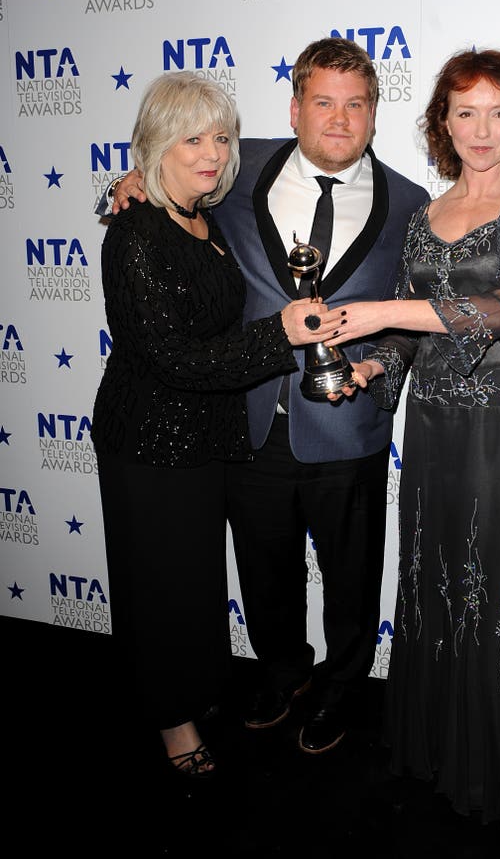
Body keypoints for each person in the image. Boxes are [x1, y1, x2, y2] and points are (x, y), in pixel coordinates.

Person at [107, 38, 427, 754]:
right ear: (295, 107)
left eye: (356, 105)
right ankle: (283, 673)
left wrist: (377, 368)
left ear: (374, 113)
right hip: (246, 419)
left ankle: (343, 686)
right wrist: (131, 181)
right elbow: (170, 169)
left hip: (347, 424)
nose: (339, 120)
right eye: (323, 102)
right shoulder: (235, 164)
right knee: (263, 568)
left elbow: (412, 316)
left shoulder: (411, 203)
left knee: (351, 576)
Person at [325, 49, 500, 827]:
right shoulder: (420, 215)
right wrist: (370, 364)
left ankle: (496, 766)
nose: (481, 129)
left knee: (497, 592)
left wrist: (382, 314)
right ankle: (437, 750)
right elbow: (407, 336)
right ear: (442, 121)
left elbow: (498, 311)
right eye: (465, 112)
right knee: (435, 587)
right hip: (432, 424)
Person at [91, 70, 342, 779]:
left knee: (196, 582)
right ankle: (171, 721)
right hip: (148, 440)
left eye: (221, 136)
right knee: (158, 584)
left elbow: (300, 145)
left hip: (205, 439)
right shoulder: (136, 233)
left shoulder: (212, 208)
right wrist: (281, 337)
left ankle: (192, 691)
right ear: (156, 145)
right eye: (190, 137)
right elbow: (171, 357)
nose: (210, 151)